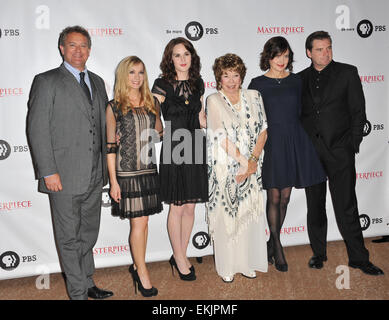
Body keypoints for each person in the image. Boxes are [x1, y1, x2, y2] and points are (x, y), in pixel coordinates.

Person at [27, 26, 114, 299]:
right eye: (72, 45)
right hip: (62, 176)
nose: (79, 51)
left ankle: (88, 282)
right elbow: (37, 129)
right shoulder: (46, 81)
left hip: (94, 173)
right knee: (68, 237)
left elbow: (103, 126)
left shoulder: (98, 82)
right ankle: (77, 292)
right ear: (62, 48)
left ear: (90, 49)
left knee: (88, 232)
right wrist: (48, 171)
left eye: (84, 45)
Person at [299, 30, 384, 275]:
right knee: (315, 206)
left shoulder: (348, 72)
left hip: (340, 152)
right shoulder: (300, 79)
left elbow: (359, 112)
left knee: (347, 206)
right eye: (319, 49)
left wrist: (352, 144)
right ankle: (319, 253)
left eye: (328, 48)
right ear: (309, 52)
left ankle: (359, 258)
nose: (325, 53)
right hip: (311, 154)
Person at [248, 37, 326, 272]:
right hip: (272, 142)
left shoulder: (297, 81)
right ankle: (278, 246)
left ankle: (272, 242)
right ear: (267, 57)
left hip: (294, 140)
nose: (281, 60)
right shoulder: (257, 83)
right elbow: (252, 119)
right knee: (273, 196)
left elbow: (306, 111)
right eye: (276, 55)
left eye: (285, 55)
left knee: (285, 197)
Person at [206, 53, 268, 282]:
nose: (231, 80)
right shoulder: (213, 100)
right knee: (227, 216)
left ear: (242, 76)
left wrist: (252, 162)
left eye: (236, 75)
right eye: (226, 75)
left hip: (252, 165)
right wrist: (244, 163)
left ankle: (246, 263)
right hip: (225, 168)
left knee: (247, 215)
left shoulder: (254, 96)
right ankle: (227, 266)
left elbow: (263, 129)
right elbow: (219, 136)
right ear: (218, 78)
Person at [152, 37, 208, 281]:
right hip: (175, 145)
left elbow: (202, 117)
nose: (183, 59)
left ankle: (181, 255)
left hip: (196, 143)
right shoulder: (162, 84)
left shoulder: (198, 84)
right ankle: (179, 256)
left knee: (190, 205)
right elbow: (151, 113)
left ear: (192, 57)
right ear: (170, 58)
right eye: (177, 55)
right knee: (177, 205)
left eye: (186, 54)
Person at [106, 56, 163, 297]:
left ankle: (138, 266)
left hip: (148, 169)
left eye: (140, 72)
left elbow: (159, 132)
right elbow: (110, 147)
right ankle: (142, 272)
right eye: (131, 72)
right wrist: (113, 182)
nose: (136, 77)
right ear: (123, 75)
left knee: (144, 222)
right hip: (127, 172)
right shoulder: (114, 106)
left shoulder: (152, 102)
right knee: (138, 223)